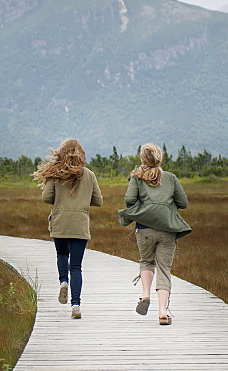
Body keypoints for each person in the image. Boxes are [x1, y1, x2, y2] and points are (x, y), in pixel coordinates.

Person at [118, 143, 192, 325]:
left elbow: (129, 200)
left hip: (144, 229)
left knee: (146, 262)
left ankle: (145, 295)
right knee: (164, 269)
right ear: (160, 157)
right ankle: (162, 311)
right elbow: (183, 203)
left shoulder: (136, 177)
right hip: (167, 230)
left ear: (143, 158)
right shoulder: (171, 178)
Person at [32, 138, 104, 319]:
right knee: (77, 267)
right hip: (79, 224)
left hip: (60, 222)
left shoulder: (54, 174)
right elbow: (98, 201)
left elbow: (47, 198)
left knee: (62, 254)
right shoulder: (89, 174)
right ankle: (76, 305)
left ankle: (63, 281)